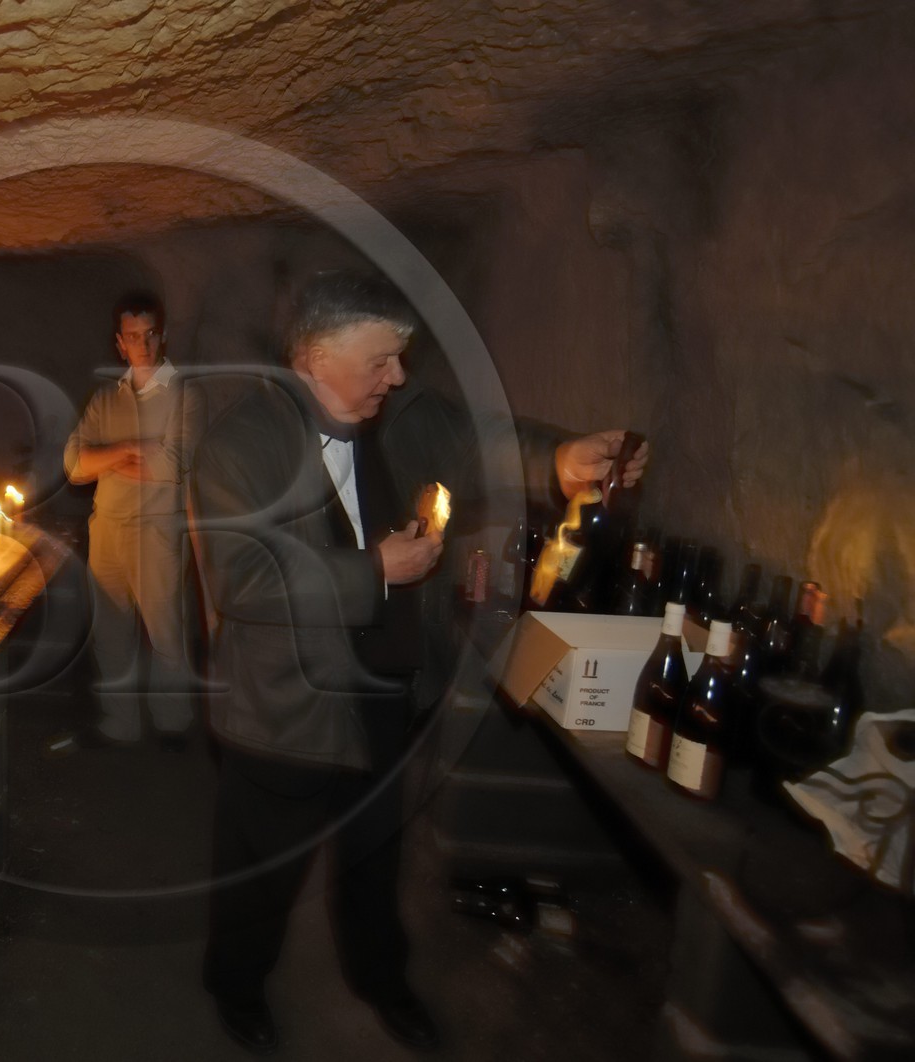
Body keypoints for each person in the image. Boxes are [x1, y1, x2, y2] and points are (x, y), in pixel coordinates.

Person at [189, 270, 647, 1053]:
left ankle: (382, 981)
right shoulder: (239, 444)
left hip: (386, 695)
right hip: (282, 713)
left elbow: (483, 443)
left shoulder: (404, 416)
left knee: (374, 864)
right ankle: (238, 987)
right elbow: (243, 577)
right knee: (262, 875)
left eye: (399, 359)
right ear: (314, 357)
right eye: (380, 360)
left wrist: (561, 459)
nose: (396, 376)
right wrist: (374, 571)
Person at [63, 293, 204, 748]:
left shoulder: (185, 392)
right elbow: (72, 464)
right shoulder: (107, 397)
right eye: (132, 337)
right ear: (119, 343)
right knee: (111, 632)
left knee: (166, 633)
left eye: (149, 334)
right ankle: (119, 723)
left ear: (161, 336)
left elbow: (171, 464)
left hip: (158, 530)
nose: (141, 344)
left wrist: (104, 458)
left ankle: (172, 723)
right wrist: (129, 449)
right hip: (107, 527)